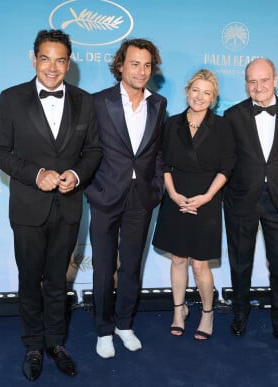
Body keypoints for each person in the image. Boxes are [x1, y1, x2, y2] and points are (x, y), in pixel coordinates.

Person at [0, 29, 102, 381]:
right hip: (28, 207)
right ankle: (33, 345)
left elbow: (94, 150)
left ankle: (56, 342)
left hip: (68, 207)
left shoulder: (85, 101)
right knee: (29, 279)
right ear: (34, 58)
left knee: (57, 281)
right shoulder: (11, 98)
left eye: (60, 60)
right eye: (45, 58)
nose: (52, 67)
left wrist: (75, 174)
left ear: (69, 63)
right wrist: (36, 174)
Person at [84, 38, 167, 359]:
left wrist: (156, 187)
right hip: (105, 195)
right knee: (104, 268)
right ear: (120, 65)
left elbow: (157, 152)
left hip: (141, 198)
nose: (141, 71)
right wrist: (91, 188)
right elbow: (87, 150)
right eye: (135, 63)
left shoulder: (158, 104)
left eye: (147, 65)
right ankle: (103, 329)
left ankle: (123, 324)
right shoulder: (98, 102)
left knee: (132, 266)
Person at [223, 57, 278, 353]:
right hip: (241, 202)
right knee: (240, 262)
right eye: (252, 81)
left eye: (263, 80)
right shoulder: (232, 115)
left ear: (275, 80)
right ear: (246, 83)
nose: (258, 87)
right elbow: (226, 162)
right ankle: (240, 313)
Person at [152, 69, 235, 341]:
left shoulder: (222, 126)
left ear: (214, 99)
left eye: (206, 93)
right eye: (195, 91)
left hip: (207, 199)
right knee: (177, 258)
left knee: (200, 265)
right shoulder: (171, 123)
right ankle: (179, 311)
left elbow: (226, 166)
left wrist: (207, 196)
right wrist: (173, 194)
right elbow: (162, 161)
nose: (200, 97)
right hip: (175, 195)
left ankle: (208, 313)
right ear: (187, 92)